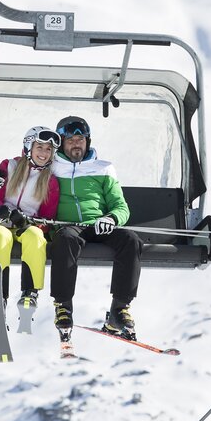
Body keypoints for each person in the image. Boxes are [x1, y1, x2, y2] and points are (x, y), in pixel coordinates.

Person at [49, 115, 143, 340]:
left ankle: (119, 309)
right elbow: (22, 167)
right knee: (66, 239)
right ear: (61, 142)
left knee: (131, 240)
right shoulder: (51, 167)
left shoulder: (104, 168)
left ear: (88, 141)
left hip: (100, 226)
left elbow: (121, 207)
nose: (76, 144)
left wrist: (111, 219)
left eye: (80, 139)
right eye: (70, 140)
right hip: (69, 227)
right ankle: (63, 306)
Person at [0, 126, 60, 318]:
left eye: (48, 149)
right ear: (28, 146)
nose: (44, 153)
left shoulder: (50, 181)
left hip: (25, 227)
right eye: (40, 147)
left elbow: (47, 219)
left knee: (35, 235)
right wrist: (2, 211)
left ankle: (30, 293)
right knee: (1, 236)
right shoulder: (9, 166)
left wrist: (30, 223)